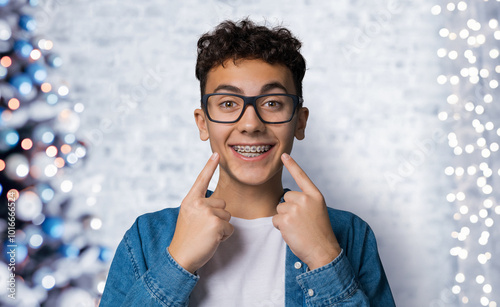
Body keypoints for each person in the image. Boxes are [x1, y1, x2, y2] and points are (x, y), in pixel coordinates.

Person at [100, 18, 395, 307]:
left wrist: (325, 259)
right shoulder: (147, 237)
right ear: (203, 124)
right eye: (228, 103)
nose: (251, 124)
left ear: (300, 122)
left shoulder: (351, 235)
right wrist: (177, 263)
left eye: (272, 103)